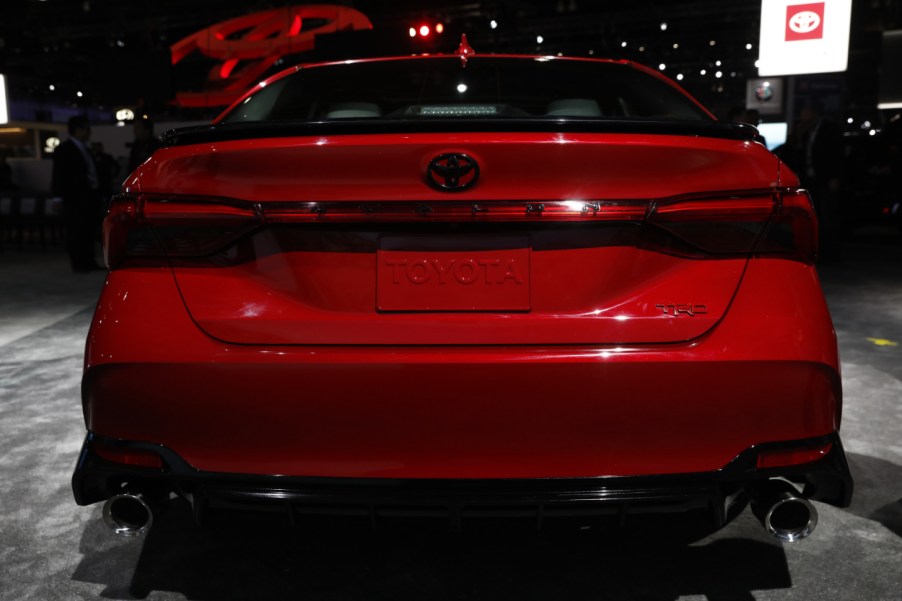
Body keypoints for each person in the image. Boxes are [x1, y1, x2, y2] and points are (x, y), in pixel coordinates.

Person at [51, 115, 104, 272]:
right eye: (87, 129)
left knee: (88, 228)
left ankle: (88, 260)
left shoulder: (85, 149)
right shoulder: (64, 150)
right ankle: (79, 262)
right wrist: (57, 197)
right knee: (76, 229)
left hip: (88, 195)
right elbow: (58, 175)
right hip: (74, 196)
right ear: (78, 130)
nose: (90, 132)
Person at [797, 103, 844, 262]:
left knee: (828, 215)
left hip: (826, 177)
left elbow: (836, 154)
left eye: (804, 111)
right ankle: (820, 250)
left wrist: (834, 177)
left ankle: (831, 252)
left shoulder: (830, 129)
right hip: (811, 179)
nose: (802, 116)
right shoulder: (806, 132)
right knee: (816, 214)